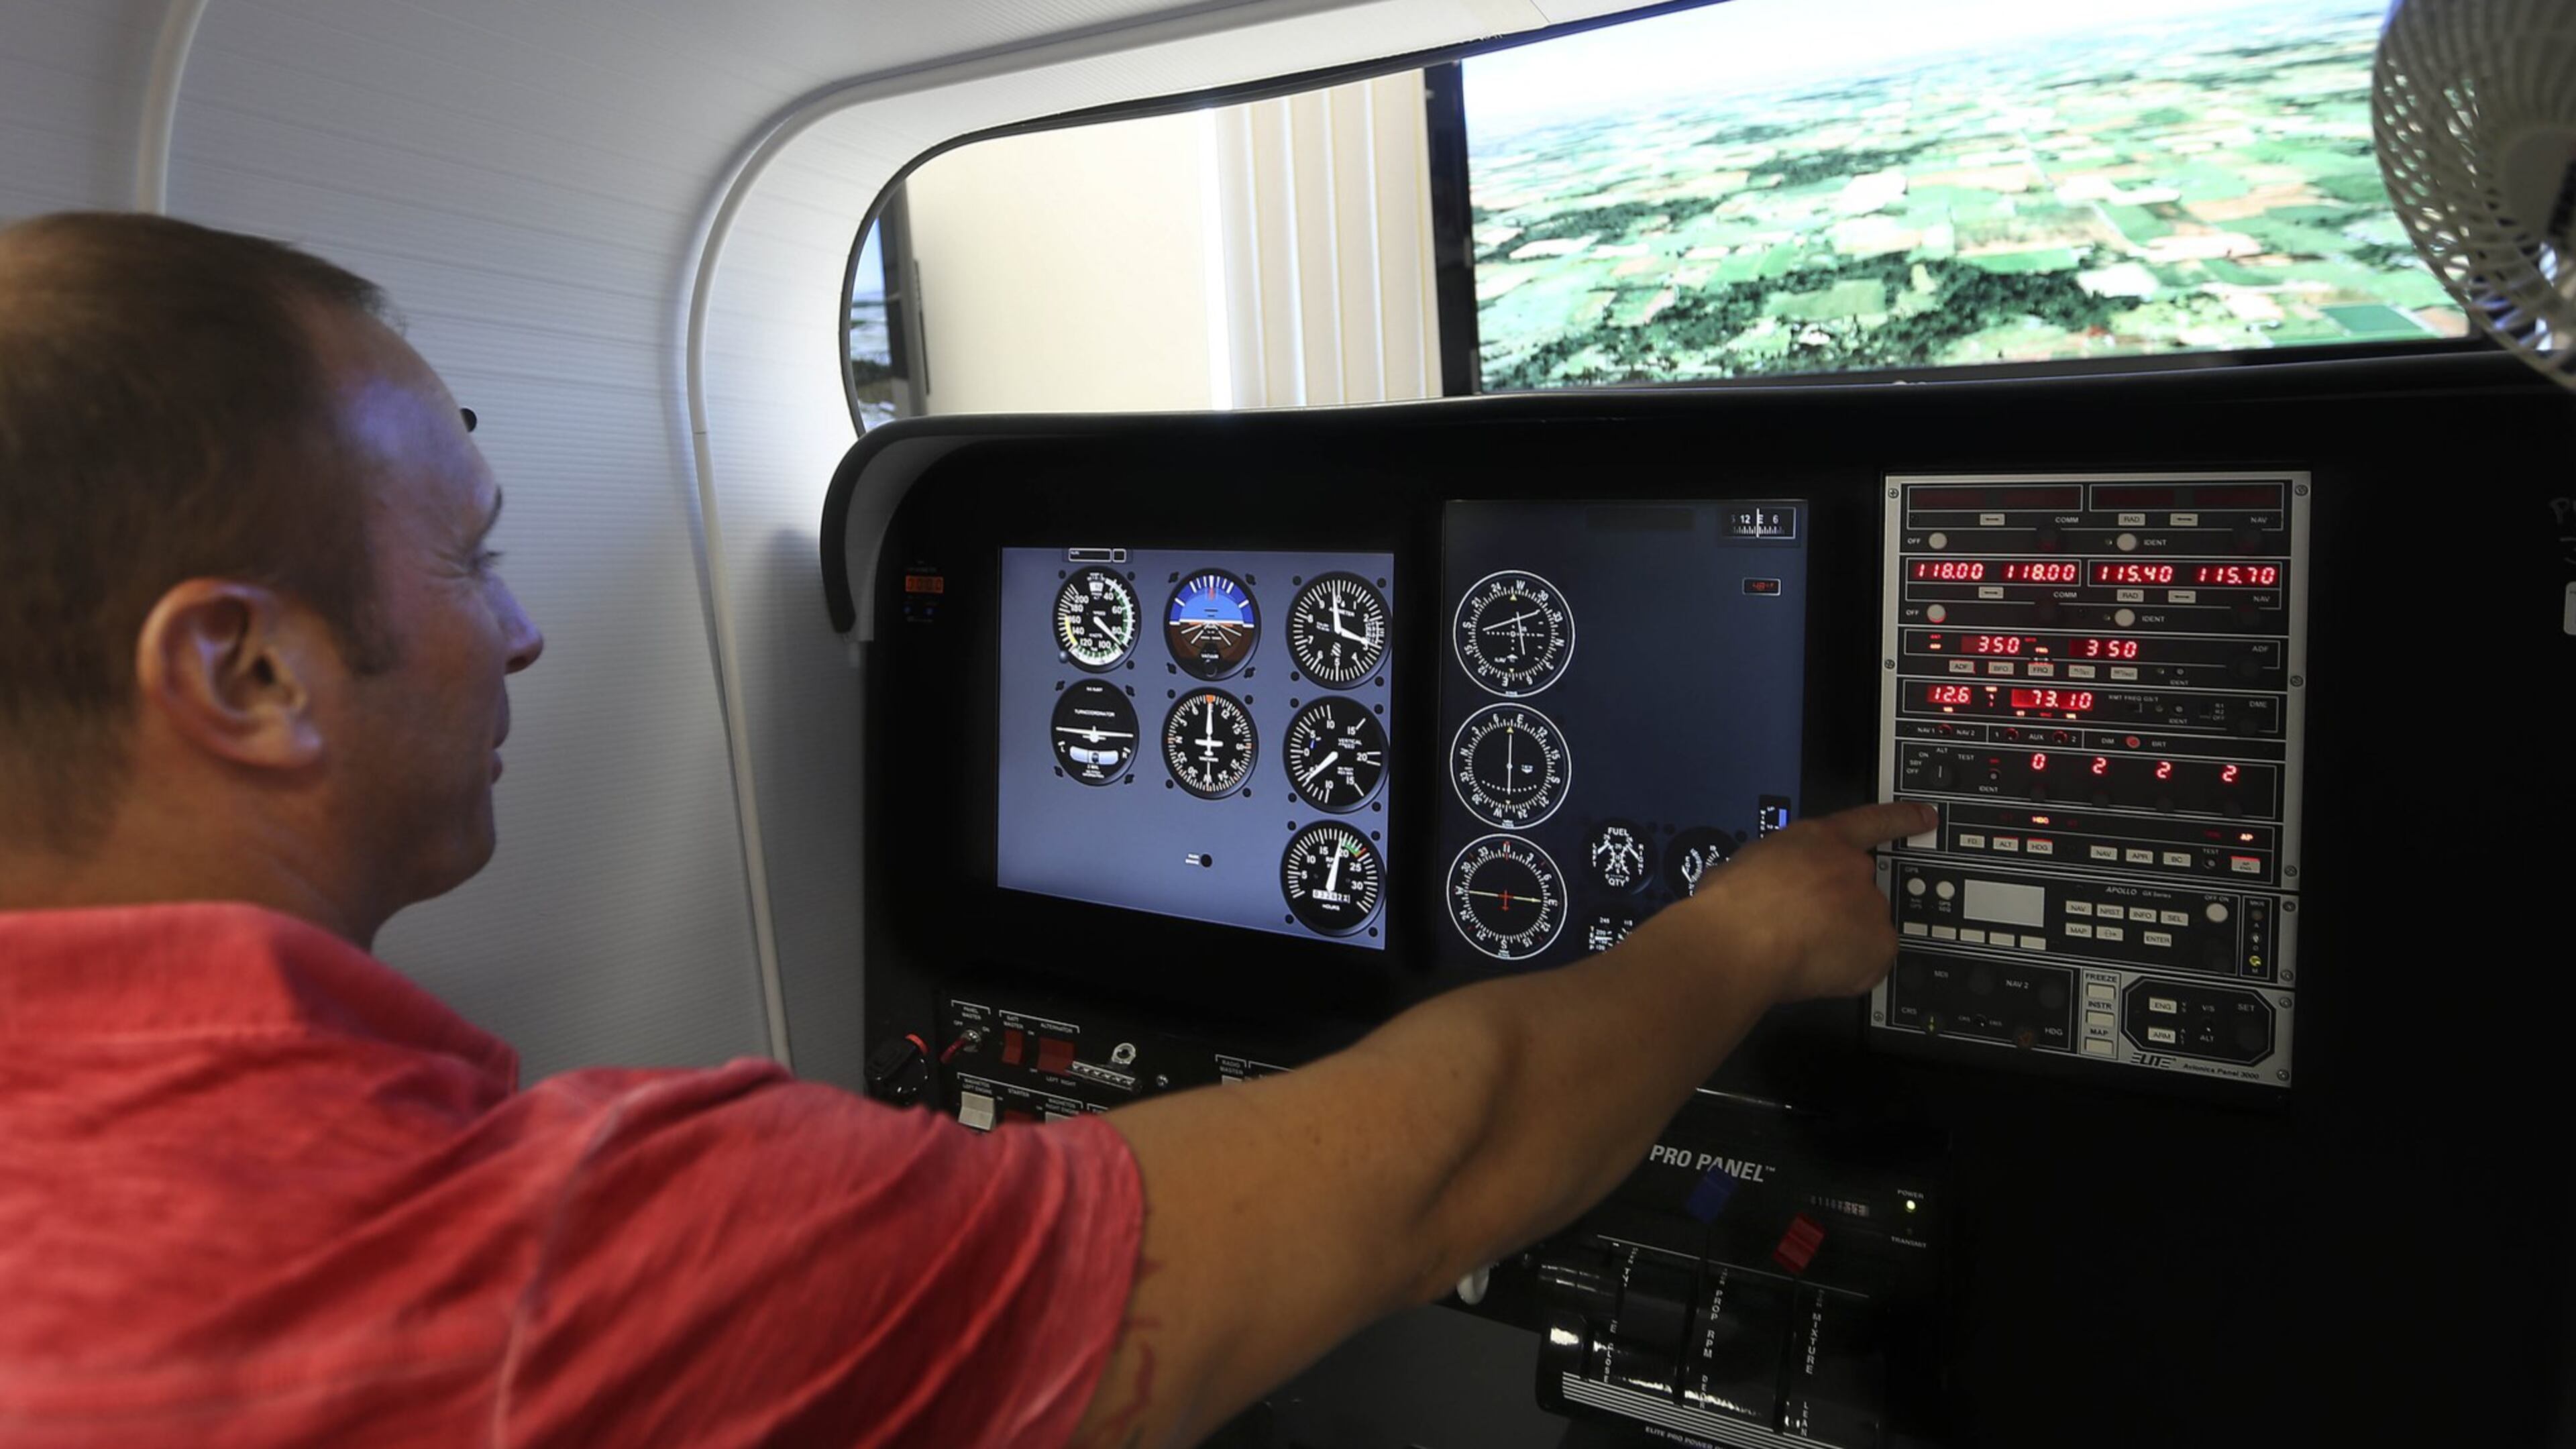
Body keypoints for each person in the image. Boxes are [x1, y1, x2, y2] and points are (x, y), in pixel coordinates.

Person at [0, 211, 1927, 1448]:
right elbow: (1436, 1180)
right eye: (466, 558)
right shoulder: (528, 1274)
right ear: (245, 671)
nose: (517, 629)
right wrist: (1748, 930)